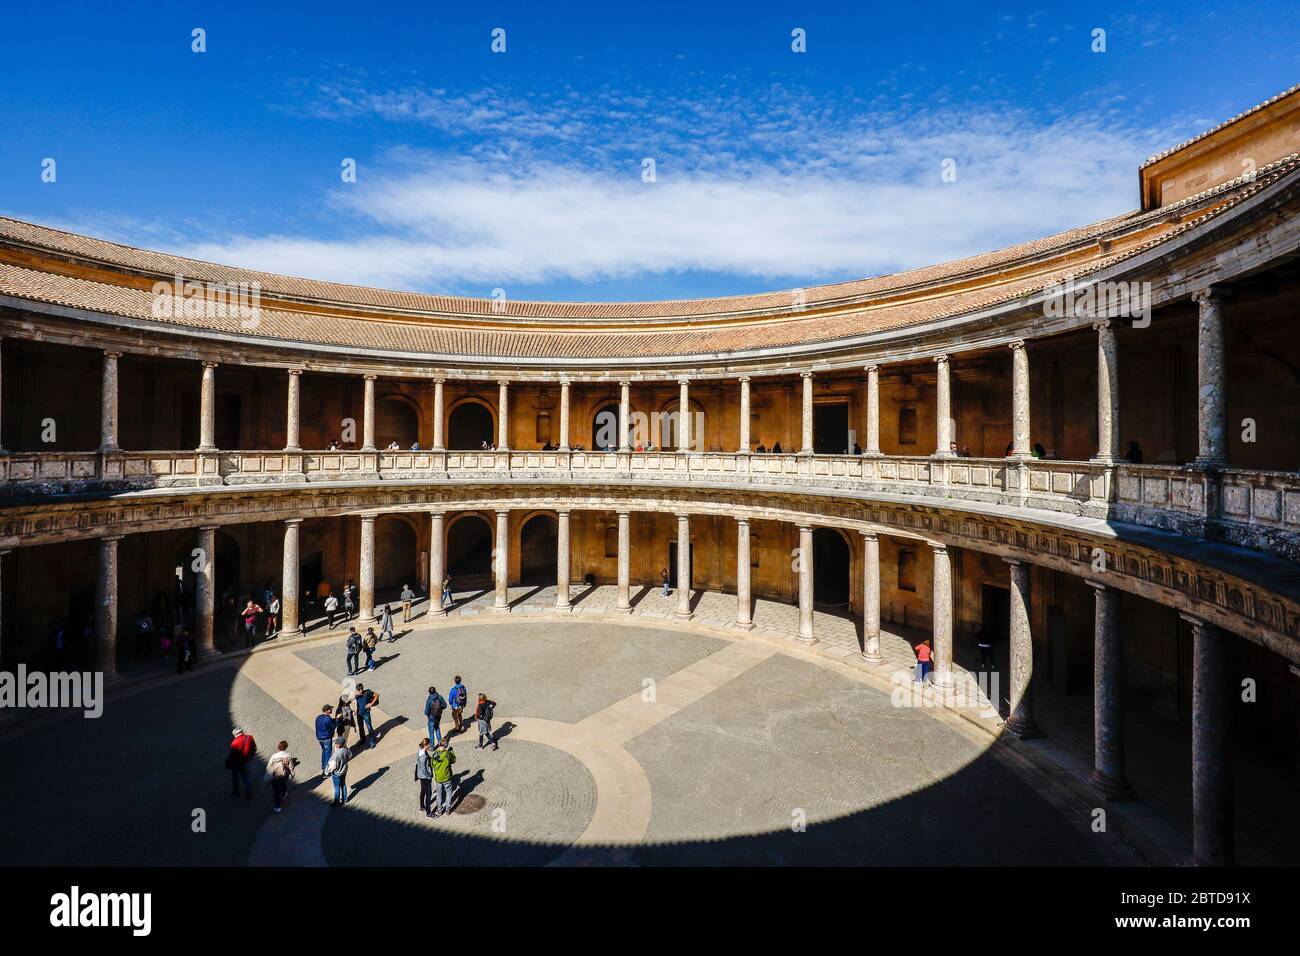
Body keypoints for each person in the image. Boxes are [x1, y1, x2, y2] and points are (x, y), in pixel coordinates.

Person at [266, 741, 297, 813]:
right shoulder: (288, 755)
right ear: (286, 747)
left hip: (275, 775)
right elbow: (291, 765)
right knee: (283, 784)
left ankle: (278, 806)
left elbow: (269, 767)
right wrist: (292, 773)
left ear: (278, 747)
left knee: (276, 791)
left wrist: (268, 775)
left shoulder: (274, 756)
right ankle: (284, 793)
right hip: (284, 774)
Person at [226, 727, 257, 799]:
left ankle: (236, 792)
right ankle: (248, 792)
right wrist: (250, 757)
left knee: (235, 777)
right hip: (246, 761)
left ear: (236, 734)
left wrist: (229, 763)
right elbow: (254, 748)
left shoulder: (234, 743)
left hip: (237, 764)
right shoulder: (249, 737)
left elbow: (232, 756)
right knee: (246, 777)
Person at [431, 740, 456, 816]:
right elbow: (453, 760)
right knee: (448, 792)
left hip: (438, 777)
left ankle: (439, 810)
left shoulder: (434, 754)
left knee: (439, 793)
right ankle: (448, 810)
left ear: (438, 744)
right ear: (446, 745)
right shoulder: (448, 754)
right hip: (446, 777)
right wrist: (452, 752)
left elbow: (432, 765)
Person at [325, 735, 350, 806]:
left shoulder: (336, 755)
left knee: (336, 787)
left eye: (336, 743)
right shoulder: (346, 749)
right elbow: (350, 755)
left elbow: (331, 767)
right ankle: (345, 799)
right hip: (344, 769)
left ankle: (336, 802)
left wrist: (328, 772)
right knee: (343, 784)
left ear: (339, 745)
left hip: (337, 773)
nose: (335, 744)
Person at [354, 682, 380, 748]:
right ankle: (362, 740)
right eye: (357, 690)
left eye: (358, 690)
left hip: (366, 713)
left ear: (361, 689)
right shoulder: (357, 695)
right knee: (360, 727)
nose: (357, 692)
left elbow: (377, 695)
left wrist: (371, 704)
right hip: (359, 714)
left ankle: (372, 741)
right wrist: (356, 710)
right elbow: (358, 703)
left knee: (369, 727)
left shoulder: (367, 692)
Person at [414, 739, 434, 817]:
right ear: (426, 745)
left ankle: (422, 807)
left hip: (420, 775)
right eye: (429, 744)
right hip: (425, 777)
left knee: (423, 791)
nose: (430, 746)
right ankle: (428, 813)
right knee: (428, 793)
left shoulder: (420, 750)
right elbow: (423, 768)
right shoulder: (424, 756)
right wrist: (429, 776)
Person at [315, 704, 337, 773]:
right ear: (327, 710)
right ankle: (326, 770)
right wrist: (337, 719)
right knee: (328, 753)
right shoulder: (328, 719)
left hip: (319, 737)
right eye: (330, 709)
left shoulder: (318, 717)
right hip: (326, 738)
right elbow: (333, 726)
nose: (331, 710)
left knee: (324, 751)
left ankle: (323, 765)